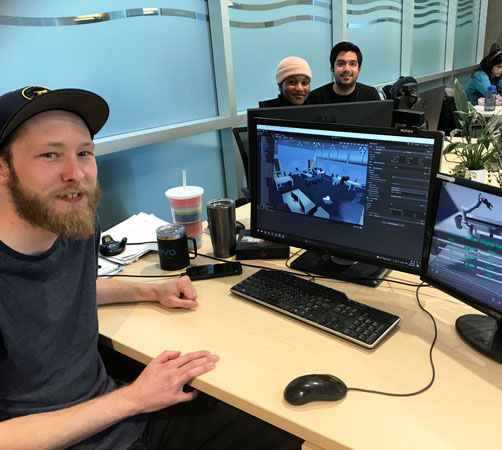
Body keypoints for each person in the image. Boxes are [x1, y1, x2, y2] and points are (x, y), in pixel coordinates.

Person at [0, 86, 302, 449]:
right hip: (76, 433)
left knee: (282, 429)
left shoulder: (74, 223)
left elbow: (66, 290)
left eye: (84, 153)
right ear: (4, 168)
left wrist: (152, 290)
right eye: (50, 155)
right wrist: (133, 398)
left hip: (119, 415)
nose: (75, 173)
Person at [307, 41, 380, 104]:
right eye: (341, 64)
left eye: (352, 64)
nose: (347, 69)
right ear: (332, 69)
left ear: (359, 69)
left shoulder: (370, 96)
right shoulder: (315, 99)